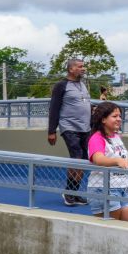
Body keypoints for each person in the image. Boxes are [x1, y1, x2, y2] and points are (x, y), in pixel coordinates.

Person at [87, 101, 128, 223]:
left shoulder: (116, 137)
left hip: (123, 189)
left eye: (120, 116)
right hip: (103, 189)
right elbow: (98, 159)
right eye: (114, 116)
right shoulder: (97, 138)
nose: (119, 119)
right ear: (103, 119)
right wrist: (117, 160)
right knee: (111, 233)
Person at [48, 59, 91, 206]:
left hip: (85, 128)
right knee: (76, 157)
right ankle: (69, 192)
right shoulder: (61, 85)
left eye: (83, 66)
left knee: (84, 160)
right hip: (69, 127)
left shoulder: (83, 85)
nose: (83, 69)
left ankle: (75, 192)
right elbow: (54, 108)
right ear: (71, 69)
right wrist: (51, 131)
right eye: (80, 67)